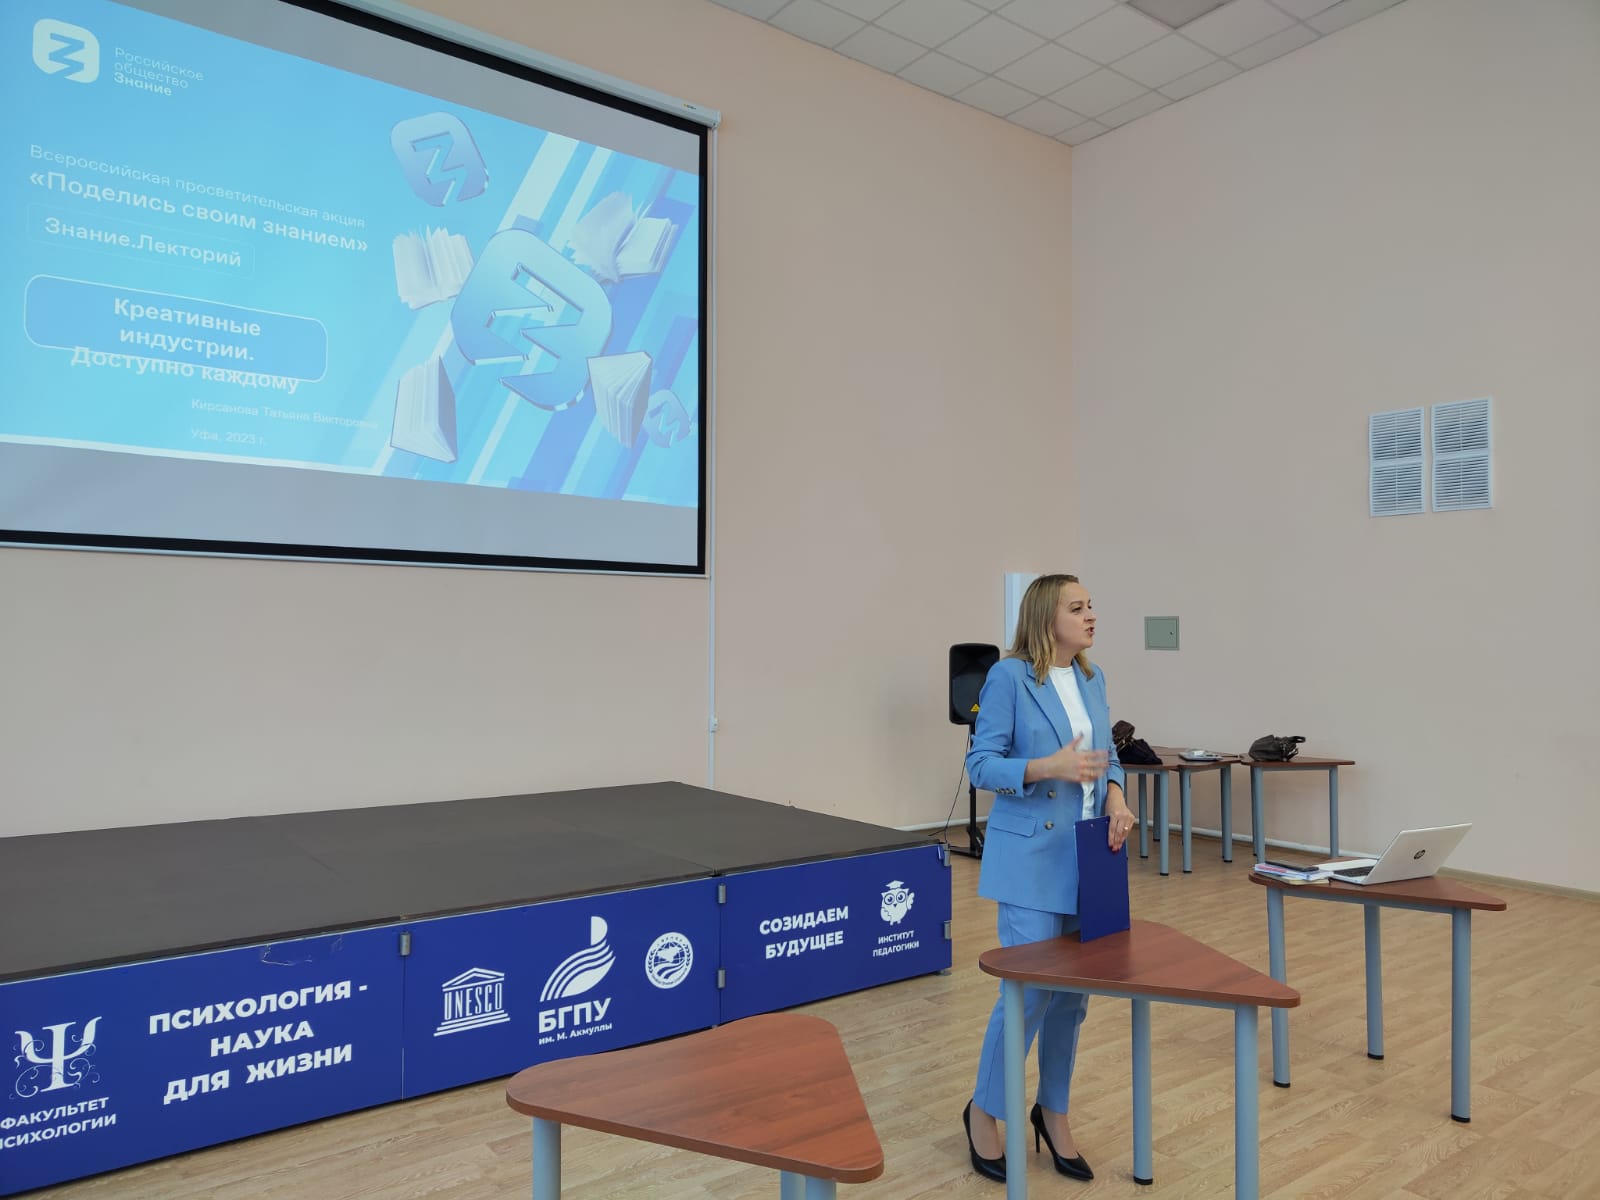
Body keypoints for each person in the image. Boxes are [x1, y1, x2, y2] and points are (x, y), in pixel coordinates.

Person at [961, 573, 1136, 1184]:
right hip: (1030, 860)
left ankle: (1052, 1111)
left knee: (1073, 998)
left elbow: (1110, 757)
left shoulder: (1092, 677)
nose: (1091, 616)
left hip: (1089, 860)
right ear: (1046, 617)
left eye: (1092, 606)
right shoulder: (1009, 677)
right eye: (1077, 607)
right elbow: (981, 764)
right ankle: (985, 1110)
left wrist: (1116, 797)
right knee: (1030, 992)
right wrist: (1046, 767)